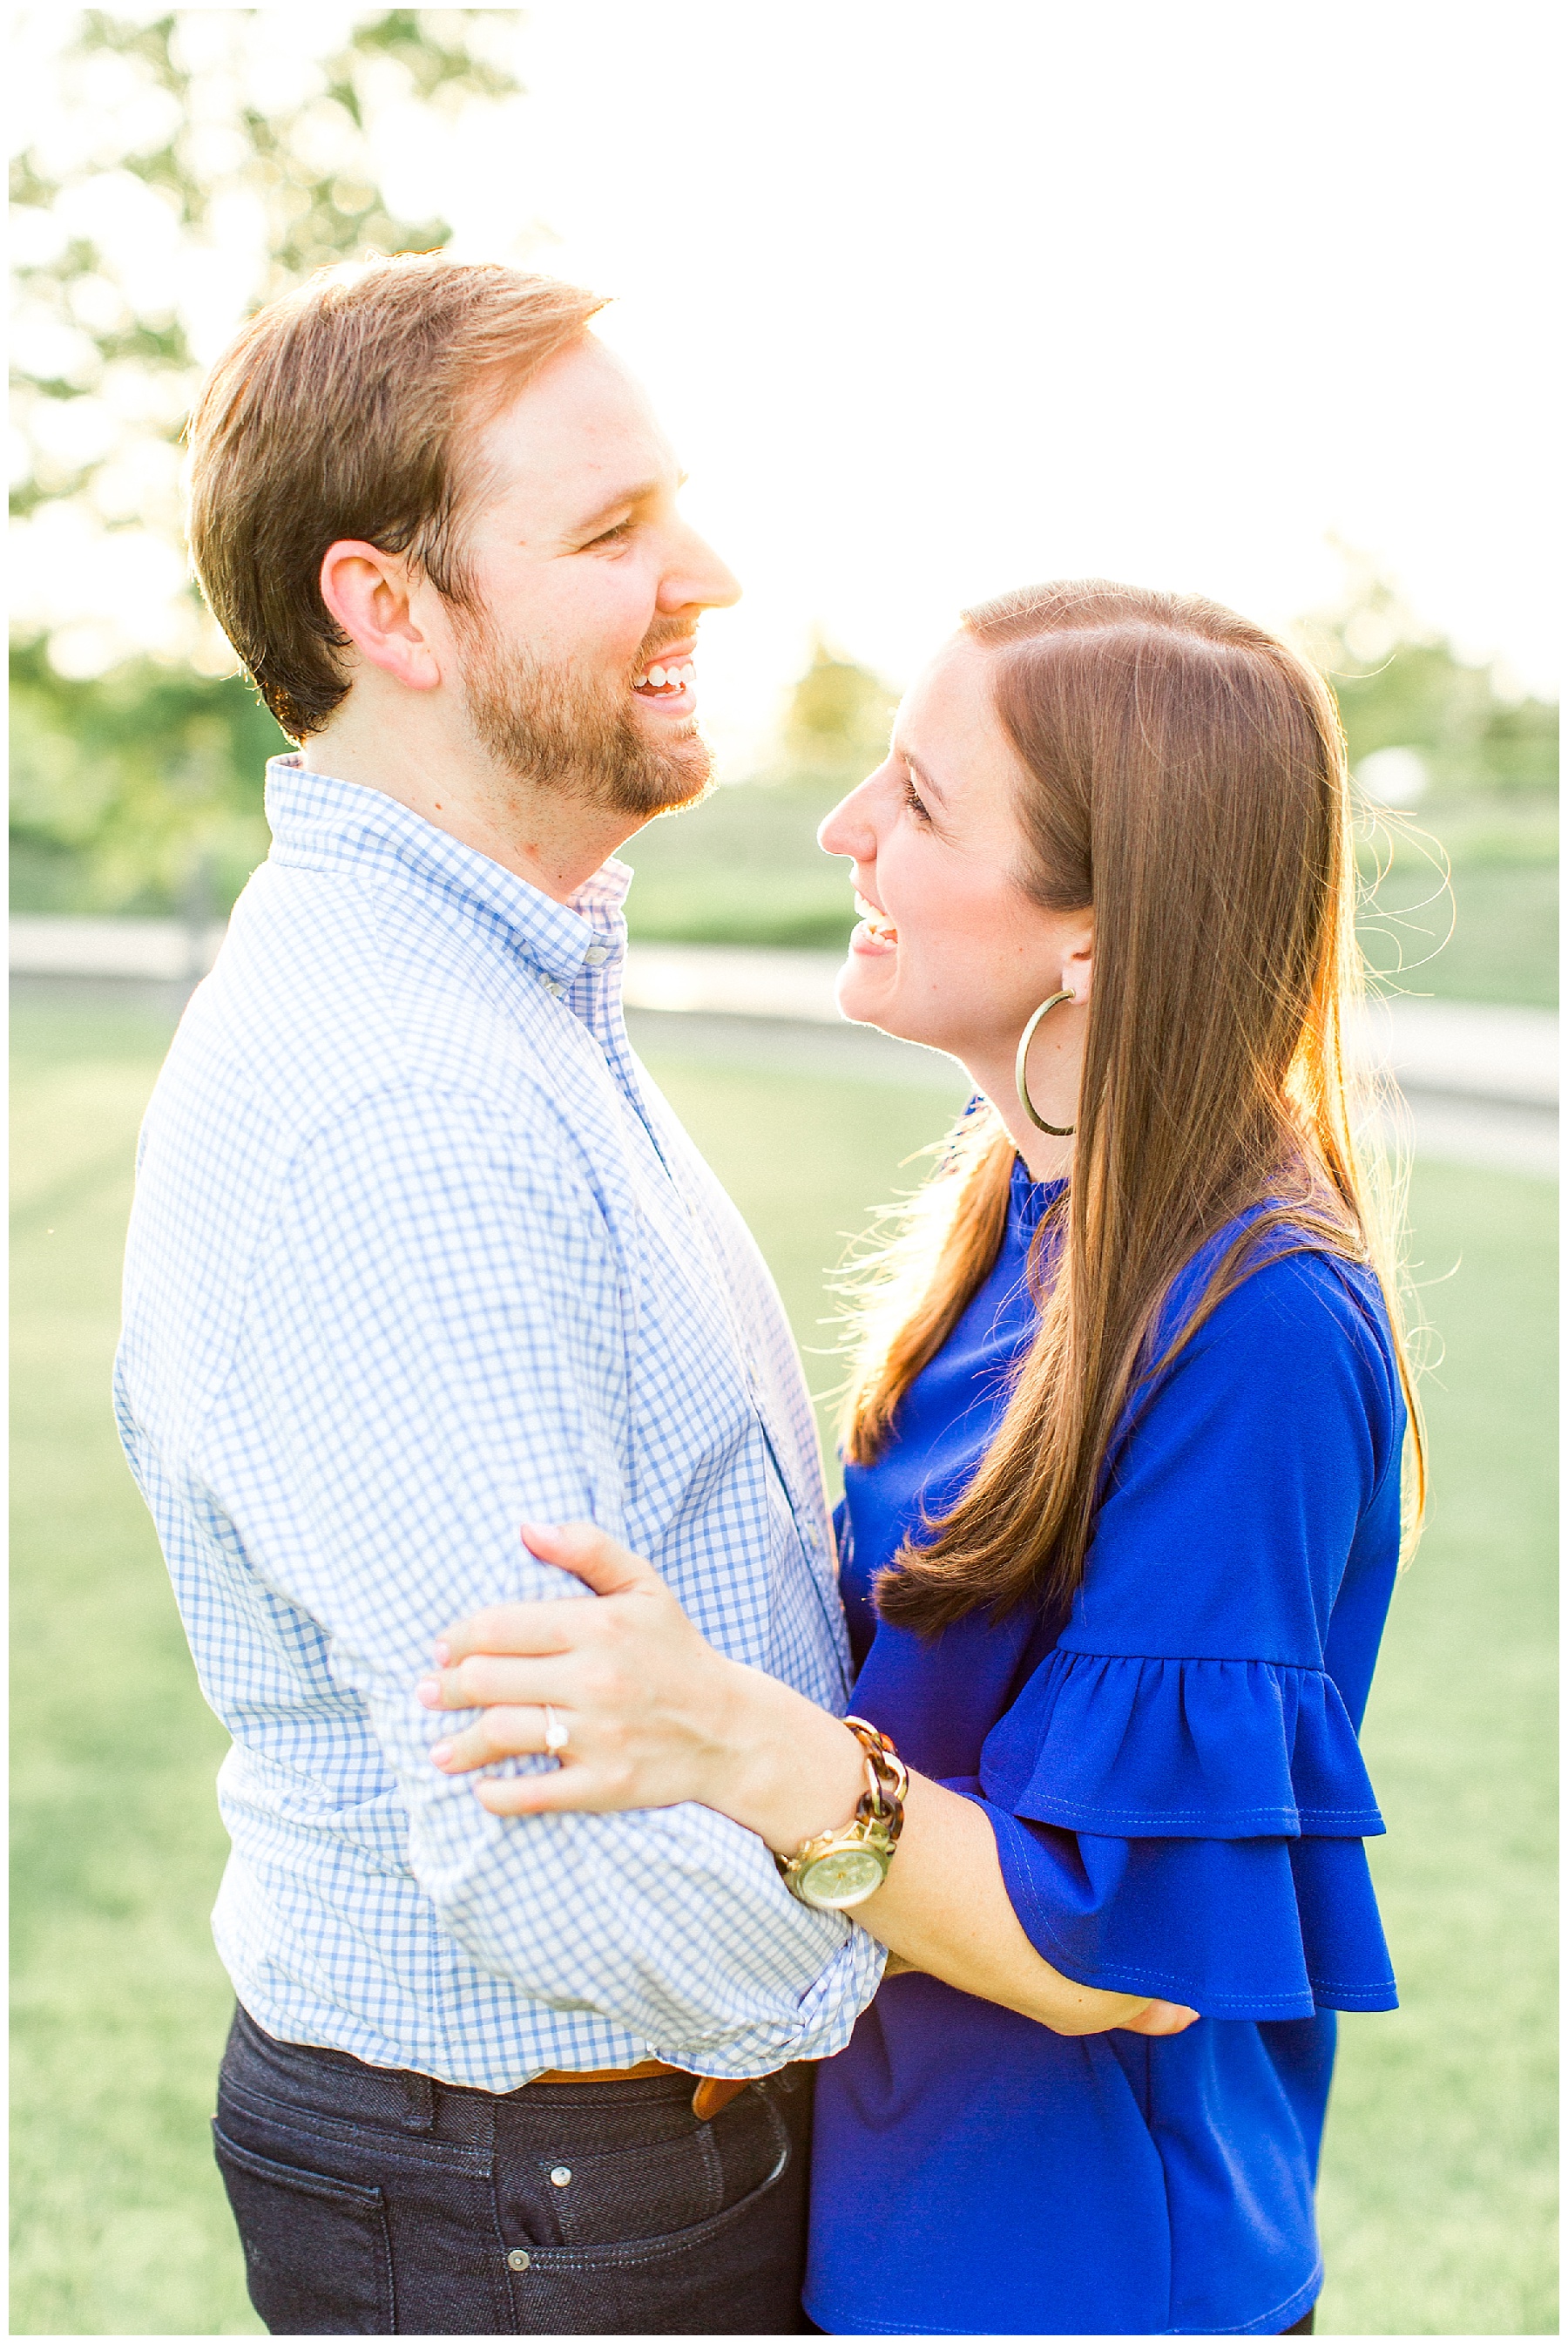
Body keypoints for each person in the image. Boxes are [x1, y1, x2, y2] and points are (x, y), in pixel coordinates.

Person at [115, 257, 1185, 2336]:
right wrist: (988, 1941)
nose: (706, 572)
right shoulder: (400, 1109)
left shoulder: (503, 988)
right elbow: (556, 1850)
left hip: (598, 2166)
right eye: (609, 534)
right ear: (388, 608)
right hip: (547, 2200)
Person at [422, 579, 1424, 2336]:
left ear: (1099, 931)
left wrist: (728, 1731)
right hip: (889, 2216)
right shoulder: (1022, 1196)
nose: (844, 830)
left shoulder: (1256, 1325)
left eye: (921, 800)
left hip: (1087, 2274)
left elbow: (1113, 1956)